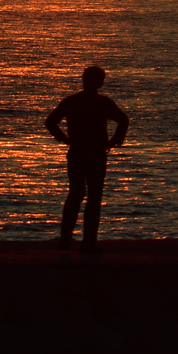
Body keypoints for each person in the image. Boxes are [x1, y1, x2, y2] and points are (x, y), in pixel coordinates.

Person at [45, 65, 129, 252]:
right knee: (93, 197)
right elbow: (123, 120)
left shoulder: (72, 101)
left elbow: (50, 122)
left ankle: (66, 241)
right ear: (99, 82)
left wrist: (64, 139)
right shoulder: (103, 102)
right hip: (95, 153)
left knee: (76, 194)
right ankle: (88, 243)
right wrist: (114, 141)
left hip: (78, 152)